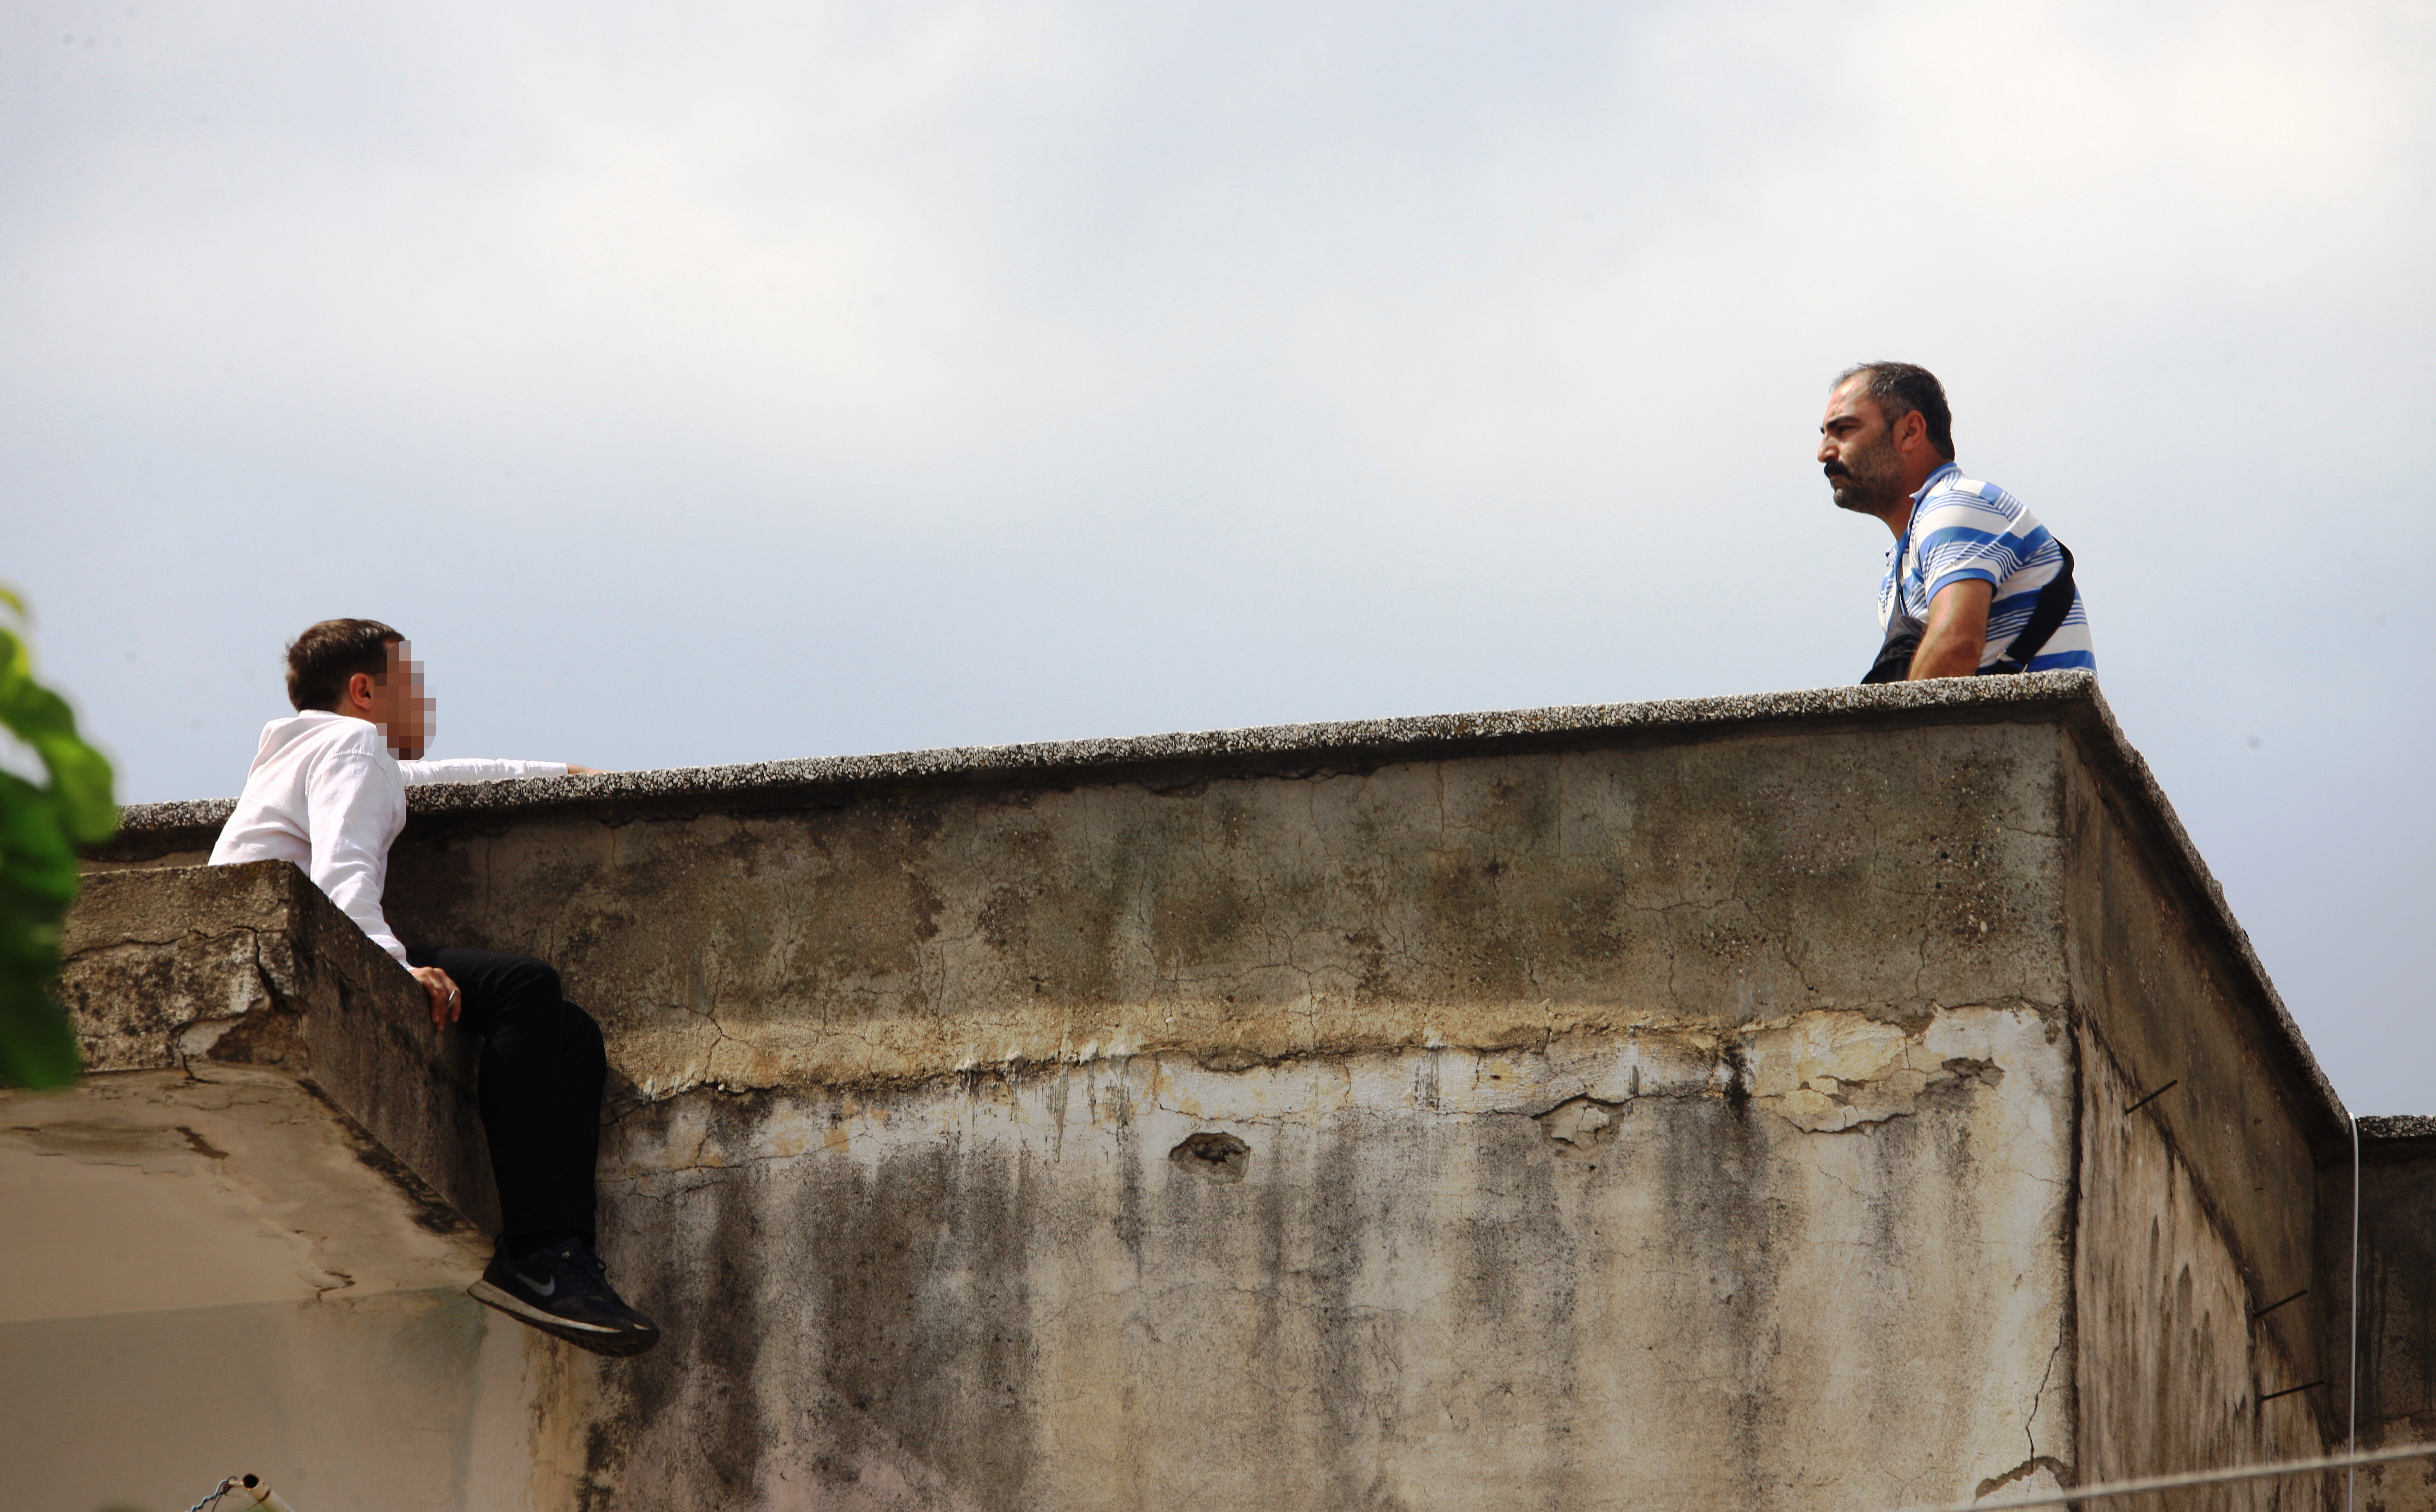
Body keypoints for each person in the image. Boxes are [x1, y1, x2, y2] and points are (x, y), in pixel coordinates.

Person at [208, 618, 660, 1356]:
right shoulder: (351, 745)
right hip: (297, 944)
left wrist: (562, 777)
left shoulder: (327, 749)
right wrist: (396, 965)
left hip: (289, 934)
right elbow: (341, 871)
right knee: (525, 986)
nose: (426, 705)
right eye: (411, 685)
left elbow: (442, 780)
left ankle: (567, 1256)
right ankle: (538, 1252)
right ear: (363, 690)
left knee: (569, 1035)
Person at [1817, 362, 2095, 683]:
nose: (1823, 452)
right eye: (1824, 434)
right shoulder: (1901, 564)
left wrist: (1896, 734)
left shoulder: (1954, 506)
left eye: (1844, 430)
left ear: (1909, 432)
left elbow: (1955, 645)